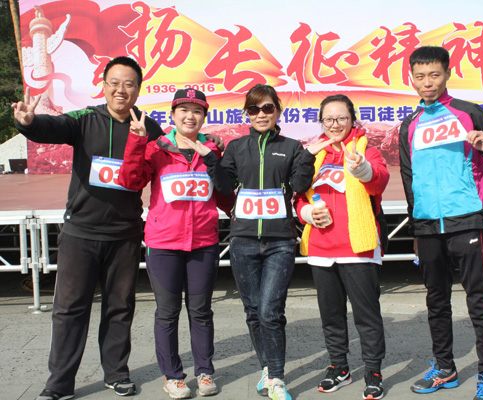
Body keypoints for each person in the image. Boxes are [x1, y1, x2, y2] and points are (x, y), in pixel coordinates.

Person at [12, 56, 163, 400]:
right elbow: (54, 126)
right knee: (69, 310)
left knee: (120, 308)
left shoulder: (148, 127)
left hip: (124, 235)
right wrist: (29, 123)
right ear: (104, 86)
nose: (121, 90)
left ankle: (116, 373)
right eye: (114, 83)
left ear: (138, 89)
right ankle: (59, 383)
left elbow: (166, 159)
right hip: (80, 233)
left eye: (128, 84)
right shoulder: (85, 119)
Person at [190, 84, 333, 400]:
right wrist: (211, 159)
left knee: (270, 311)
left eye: (267, 108)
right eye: (254, 109)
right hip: (242, 241)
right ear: (247, 114)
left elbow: (299, 185)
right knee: (254, 311)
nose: (261, 114)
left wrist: (307, 157)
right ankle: (268, 369)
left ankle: (277, 378)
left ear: (277, 111)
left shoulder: (291, 147)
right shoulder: (236, 147)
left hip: (280, 241)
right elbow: (224, 187)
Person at [398, 46, 483, 400]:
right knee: (436, 301)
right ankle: (445, 368)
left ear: (447, 74)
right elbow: (408, 178)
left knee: (478, 302)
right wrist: (416, 228)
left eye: (434, 75)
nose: (427, 82)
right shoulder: (409, 125)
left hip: (465, 219)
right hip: (427, 225)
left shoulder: (468, 112)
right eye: (420, 76)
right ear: (412, 78)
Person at [118, 89, 230, 398]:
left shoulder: (212, 150)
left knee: (201, 311)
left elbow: (224, 192)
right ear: (173, 115)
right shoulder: (156, 148)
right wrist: (136, 141)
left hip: (204, 242)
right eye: (184, 110)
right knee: (167, 313)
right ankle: (173, 376)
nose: (190, 116)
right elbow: (131, 180)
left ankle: (205, 372)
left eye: (197, 111)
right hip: (164, 243)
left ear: (204, 116)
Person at [295, 94, 390, 400]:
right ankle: (339, 367)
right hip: (321, 249)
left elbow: (379, 181)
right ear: (321, 122)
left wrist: (361, 168)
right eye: (328, 119)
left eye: (341, 119)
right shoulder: (314, 154)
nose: (335, 125)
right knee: (331, 316)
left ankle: (373, 371)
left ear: (352, 120)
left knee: (367, 315)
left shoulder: (366, 150)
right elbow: (299, 195)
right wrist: (307, 213)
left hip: (358, 249)